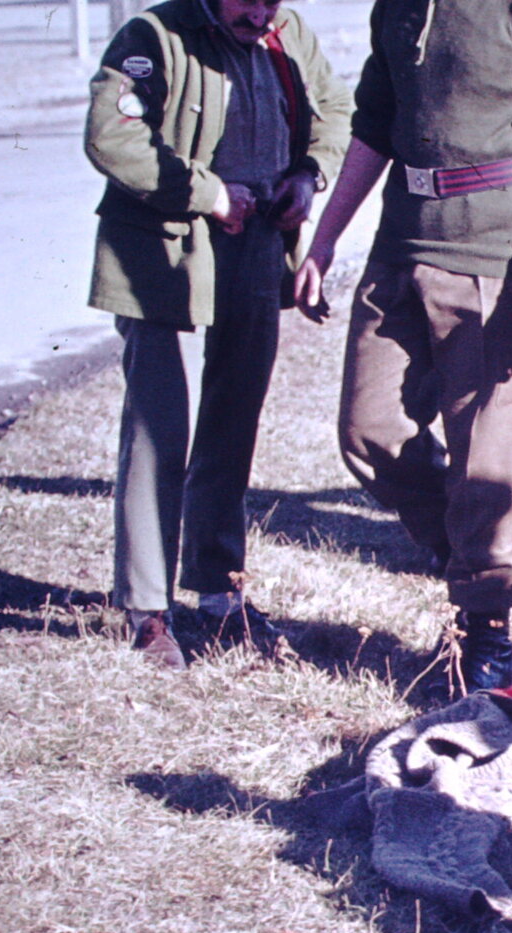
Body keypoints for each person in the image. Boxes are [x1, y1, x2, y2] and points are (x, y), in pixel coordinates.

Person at [292, 0, 512, 695]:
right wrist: (325, 239)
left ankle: (485, 629)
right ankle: (480, 551)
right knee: (369, 430)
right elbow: (373, 125)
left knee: (487, 457)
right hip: (403, 242)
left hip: (498, 255)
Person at [85, 0, 351, 668]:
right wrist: (208, 195)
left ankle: (217, 589)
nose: (260, 12)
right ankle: (147, 610)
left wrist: (308, 174)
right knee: (159, 429)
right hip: (166, 259)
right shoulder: (155, 35)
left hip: (256, 251)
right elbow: (111, 138)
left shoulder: (287, 35)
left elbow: (337, 112)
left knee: (232, 423)